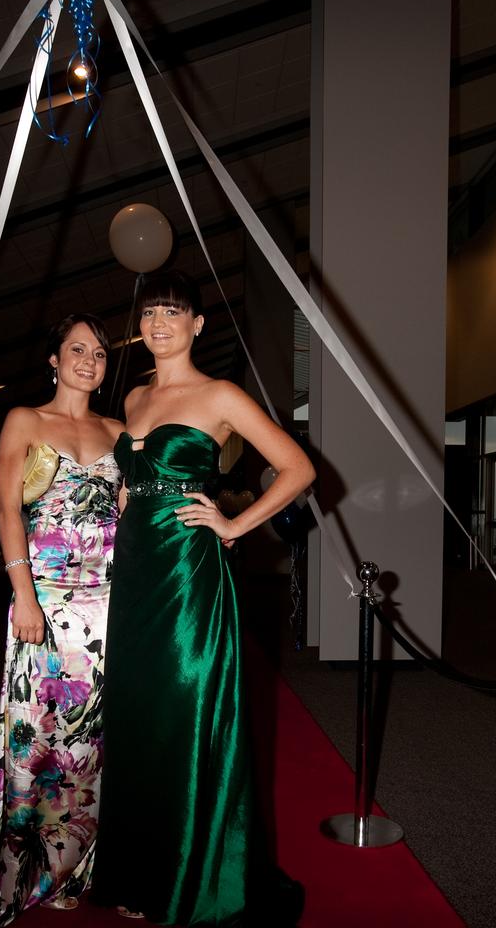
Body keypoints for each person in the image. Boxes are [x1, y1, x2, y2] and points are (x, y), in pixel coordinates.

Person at [92, 271, 315, 926]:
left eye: (173, 311)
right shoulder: (132, 397)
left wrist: (234, 525)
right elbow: (130, 487)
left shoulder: (220, 394)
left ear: (197, 325)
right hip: (133, 575)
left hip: (189, 572)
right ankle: (142, 872)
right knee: (138, 719)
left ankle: (193, 880)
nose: (159, 322)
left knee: (187, 711)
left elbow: (298, 468)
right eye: (151, 312)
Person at [0, 314, 124, 924]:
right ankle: (30, 865)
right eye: (77, 349)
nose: (89, 360)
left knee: (95, 740)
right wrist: (22, 595)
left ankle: (86, 862)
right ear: (53, 359)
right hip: (45, 603)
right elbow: (6, 508)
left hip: (109, 606)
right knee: (37, 739)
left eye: (100, 353)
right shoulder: (25, 420)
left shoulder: (119, 430)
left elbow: (140, 516)